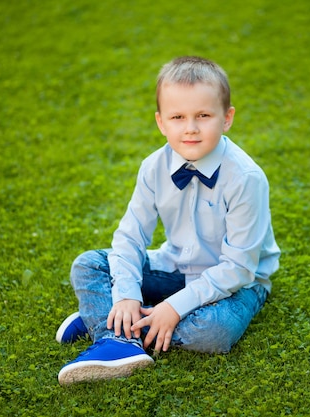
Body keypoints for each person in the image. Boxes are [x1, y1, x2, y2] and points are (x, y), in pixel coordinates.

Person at [56, 56, 281, 385]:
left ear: (227, 118)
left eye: (203, 115)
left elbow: (239, 268)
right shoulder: (153, 167)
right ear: (162, 122)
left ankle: (108, 319)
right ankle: (116, 332)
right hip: (176, 266)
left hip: (239, 285)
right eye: (178, 117)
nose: (190, 127)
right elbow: (130, 237)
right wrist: (127, 296)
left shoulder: (247, 178)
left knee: (215, 332)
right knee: (89, 264)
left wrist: (174, 307)